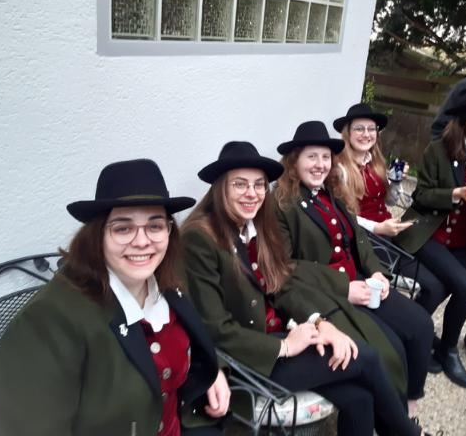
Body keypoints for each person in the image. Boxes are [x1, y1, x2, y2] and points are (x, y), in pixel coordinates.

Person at [182, 141, 432, 436]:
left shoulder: (254, 225)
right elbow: (216, 329)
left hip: (282, 334)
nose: (252, 193)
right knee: (365, 357)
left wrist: (319, 322)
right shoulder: (200, 238)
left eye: (259, 184)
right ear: (220, 187)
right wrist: (286, 346)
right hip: (246, 361)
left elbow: (281, 286)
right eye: (240, 184)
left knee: (360, 398)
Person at [0, 159, 230, 436]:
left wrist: (211, 371)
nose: (142, 241)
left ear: (169, 231)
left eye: (155, 226)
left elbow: (190, 336)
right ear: (97, 235)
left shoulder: (167, 281)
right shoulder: (47, 322)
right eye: (123, 228)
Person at [273, 121, 434, 418]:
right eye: (311, 156)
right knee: (390, 348)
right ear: (294, 161)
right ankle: (400, 419)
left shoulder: (333, 190)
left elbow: (359, 238)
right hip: (328, 295)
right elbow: (285, 267)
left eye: (325, 157)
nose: (320, 164)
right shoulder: (282, 203)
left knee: (421, 325)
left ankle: (410, 404)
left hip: (362, 282)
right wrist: (343, 288)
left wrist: (376, 272)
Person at [394, 87, 466, 389]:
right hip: (430, 236)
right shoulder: (438, 150)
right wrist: (455, 194)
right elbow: (421, 196)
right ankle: (447, 350)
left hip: (464, 246)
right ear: (463, 123)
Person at [333, 104, 449, 353]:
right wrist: (377, 228)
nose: (366, 134)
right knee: (432, 286)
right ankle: (414, 332)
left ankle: (415, 329)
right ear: (348, 133)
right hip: (367, 239)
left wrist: (396, 183)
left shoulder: (375, 161)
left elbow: (389, 201)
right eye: (359, 129)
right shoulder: (340, 169)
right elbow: (343, 216)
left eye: (371, 129)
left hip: (388, 230)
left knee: (441, 281)